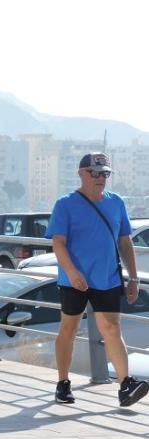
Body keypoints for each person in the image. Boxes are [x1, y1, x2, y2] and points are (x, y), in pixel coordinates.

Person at [46, 152, 149, 407]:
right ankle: (62, 383)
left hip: (108, 277)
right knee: (68, 329)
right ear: (82, 174)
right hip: (74, 280)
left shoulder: (116, 203)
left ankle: (125, 385)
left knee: (112, 329)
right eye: (95, 173)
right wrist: (71, 272)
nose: (100, 178)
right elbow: (58, 243)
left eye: (105, 173)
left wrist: (133, 278)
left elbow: (125, 242)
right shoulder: (65, 204)